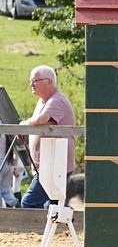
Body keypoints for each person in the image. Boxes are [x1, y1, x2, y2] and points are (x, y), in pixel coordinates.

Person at [19, 66, 76, 209]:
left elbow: (40, 120)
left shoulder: (57, 100)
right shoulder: (44, 101)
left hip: (54, 164)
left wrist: (22, 125)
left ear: (48, 82)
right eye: (30, 80)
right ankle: (53, 231)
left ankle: (35, 231)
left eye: (34, 80)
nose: (31, 84)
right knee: (52, 206)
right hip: (49, 163)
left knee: (29, 203)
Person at [1, 134, 20, 207]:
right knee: (5, 191)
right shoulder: (6, 126)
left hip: (2, 163)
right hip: (8, 163)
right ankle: (17, 204)